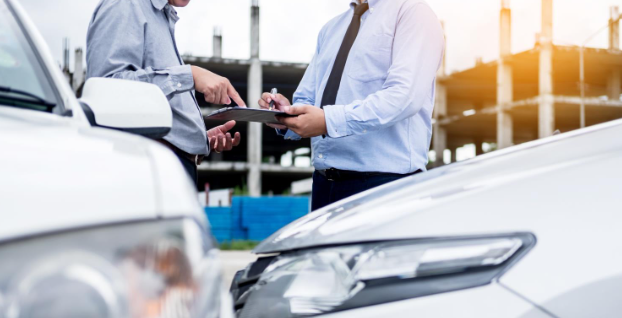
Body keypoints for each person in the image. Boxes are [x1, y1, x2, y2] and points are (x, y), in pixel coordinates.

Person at [259, 0, 444, 211]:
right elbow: (308, 99)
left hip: (385, 185)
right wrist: (286, 114)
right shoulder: (331, 29)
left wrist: (328, 121)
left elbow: (403, 97)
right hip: (324, 186)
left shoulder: (413, 12)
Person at [86, 0, 245, 185]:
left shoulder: (159, 16)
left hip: (168, 167)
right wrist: (189, 75)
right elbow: (106, 90)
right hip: (146, 171)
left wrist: (194, 139)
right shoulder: (125, 4)